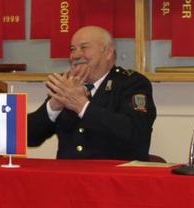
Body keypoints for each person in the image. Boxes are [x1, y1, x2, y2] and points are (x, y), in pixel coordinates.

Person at [27, 26, 156, 160]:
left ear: (108, 53)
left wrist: (82, 106)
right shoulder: (67, 86)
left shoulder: (132, 83)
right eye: (72, 49)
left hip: (115, 172)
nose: (75, 55)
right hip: (69, 172)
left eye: (84, 47)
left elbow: (135, 134)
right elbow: (30, 137)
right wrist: (54, 106)